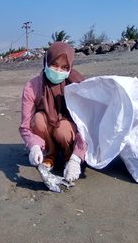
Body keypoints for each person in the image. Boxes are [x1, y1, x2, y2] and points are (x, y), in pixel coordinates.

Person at [19, 42, 87, 182]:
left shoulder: (79, 85)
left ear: (70, 68)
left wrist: (76, 157)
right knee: (38, 118)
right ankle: (50, 155)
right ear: (46, 62)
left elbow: (88, 125)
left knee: (62, 128)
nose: (58, 71)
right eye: (54, 65)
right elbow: (25, 125)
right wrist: (34, 146)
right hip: (46, 129)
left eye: (64, 67)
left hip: (70, 132)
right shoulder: (32, 86)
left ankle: (69, 158)